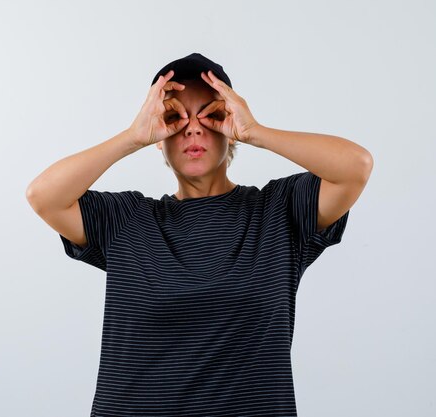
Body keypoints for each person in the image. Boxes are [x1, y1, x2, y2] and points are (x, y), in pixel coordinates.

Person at [26, 53, 373, 416]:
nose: (193, 128)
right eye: (174, 117)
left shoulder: (280, 211)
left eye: (212, 115)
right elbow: (44, 196)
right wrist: (131, 137)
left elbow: (356, 167)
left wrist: (256, 131)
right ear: (158, 135)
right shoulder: (125, 220)